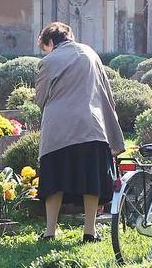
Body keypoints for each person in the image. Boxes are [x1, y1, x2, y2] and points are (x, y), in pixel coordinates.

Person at [33, 22, 125, 241]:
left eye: (45, 48)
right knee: (91, 179)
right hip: (91, 125)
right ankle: (89, 231)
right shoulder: (91, 54)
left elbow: (40, 98)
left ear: (50, 42)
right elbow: (106, 91)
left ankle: (49, 231)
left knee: (54, 180)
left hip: (58, 129)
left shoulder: (48, 61)